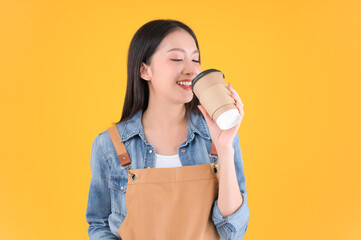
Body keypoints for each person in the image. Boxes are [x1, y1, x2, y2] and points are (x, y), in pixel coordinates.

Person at [86, 19, 250, 240]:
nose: (191, 69)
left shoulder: (217, 138)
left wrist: (225, 148)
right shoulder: (110, 145)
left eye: (196, 59)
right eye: (176, 58)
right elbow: (100, 226)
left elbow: (233, 231)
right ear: (145, 70)